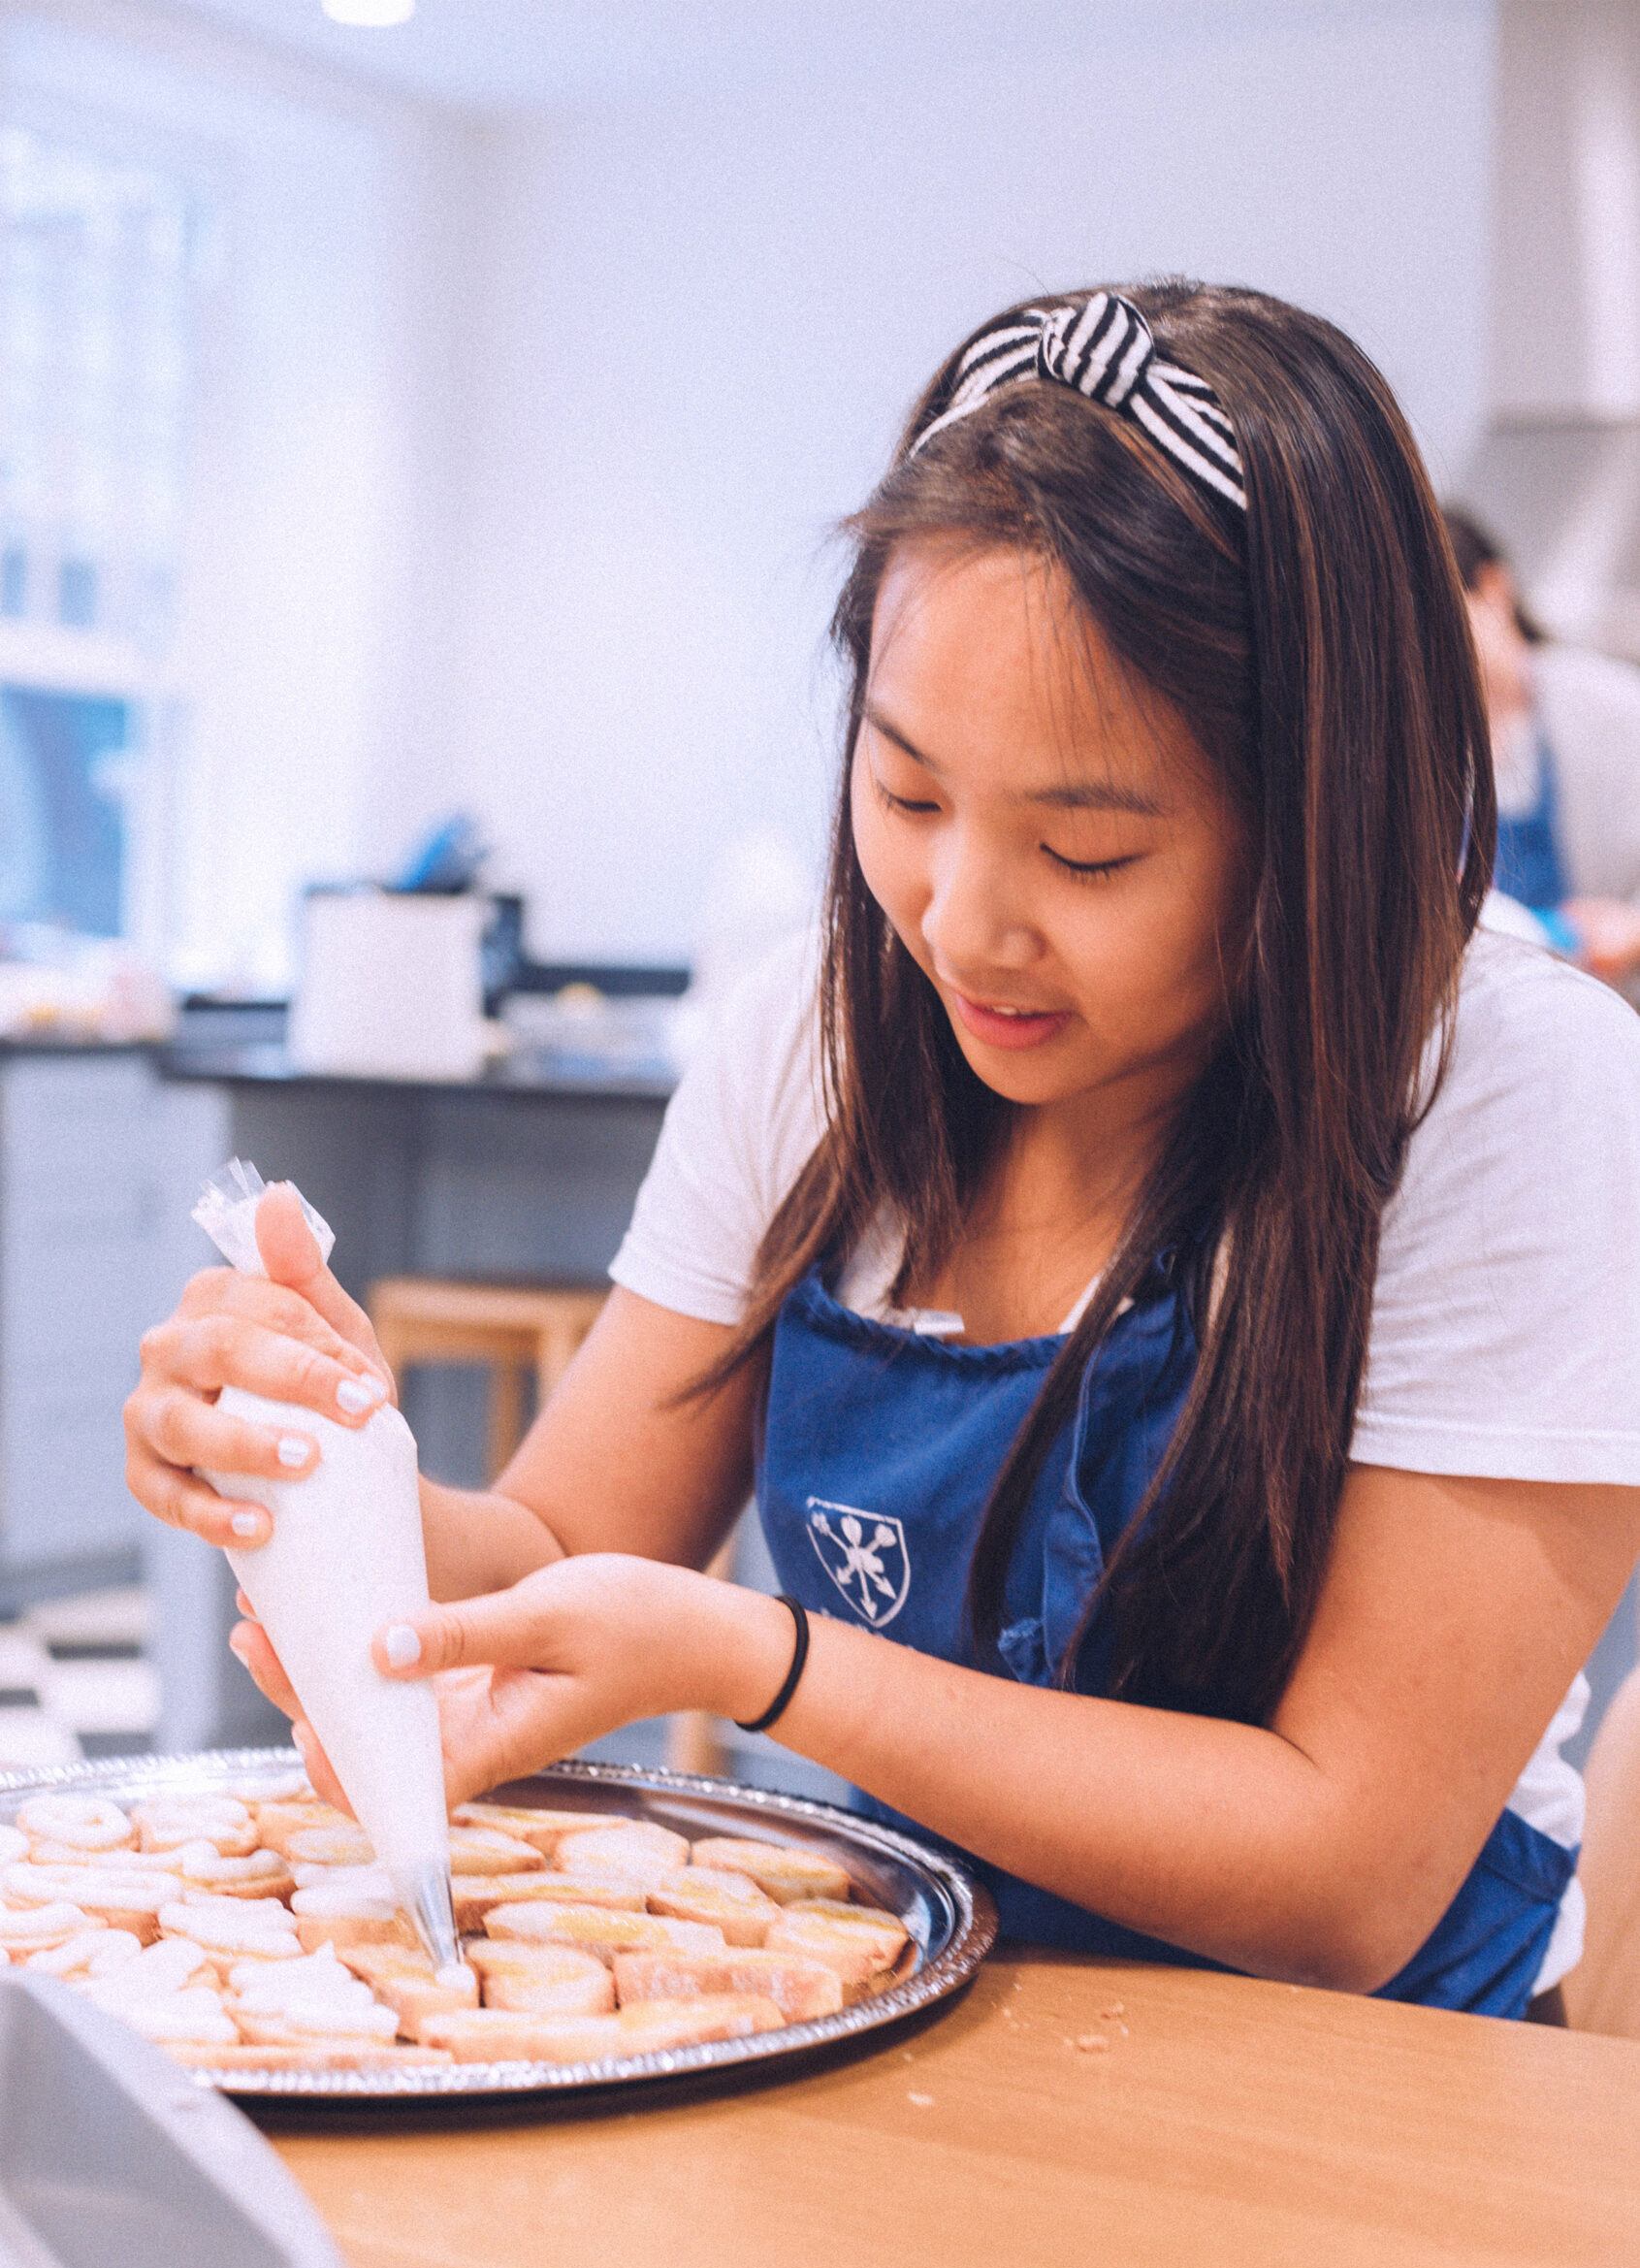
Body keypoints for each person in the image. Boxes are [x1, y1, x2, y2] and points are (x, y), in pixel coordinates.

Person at [126, 282, 1640, 2021]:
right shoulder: (820, 1039)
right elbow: (555, 1551)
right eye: (908, 796)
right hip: (908, 2004)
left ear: (1316, 820)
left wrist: (768, 1661)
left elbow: (1345, 1875)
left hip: (1375, 2085)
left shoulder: (1500, 1091)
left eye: (1085, 852)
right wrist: (328, 1475)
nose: (960, 923)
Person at [1446, 504, 1640, 984]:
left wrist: (1631, 931)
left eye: (1442, 614)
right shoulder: (1425, 740)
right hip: (1491, 1004)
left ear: (1494, 588)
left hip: (1608, 1000)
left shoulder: (1610, 707)